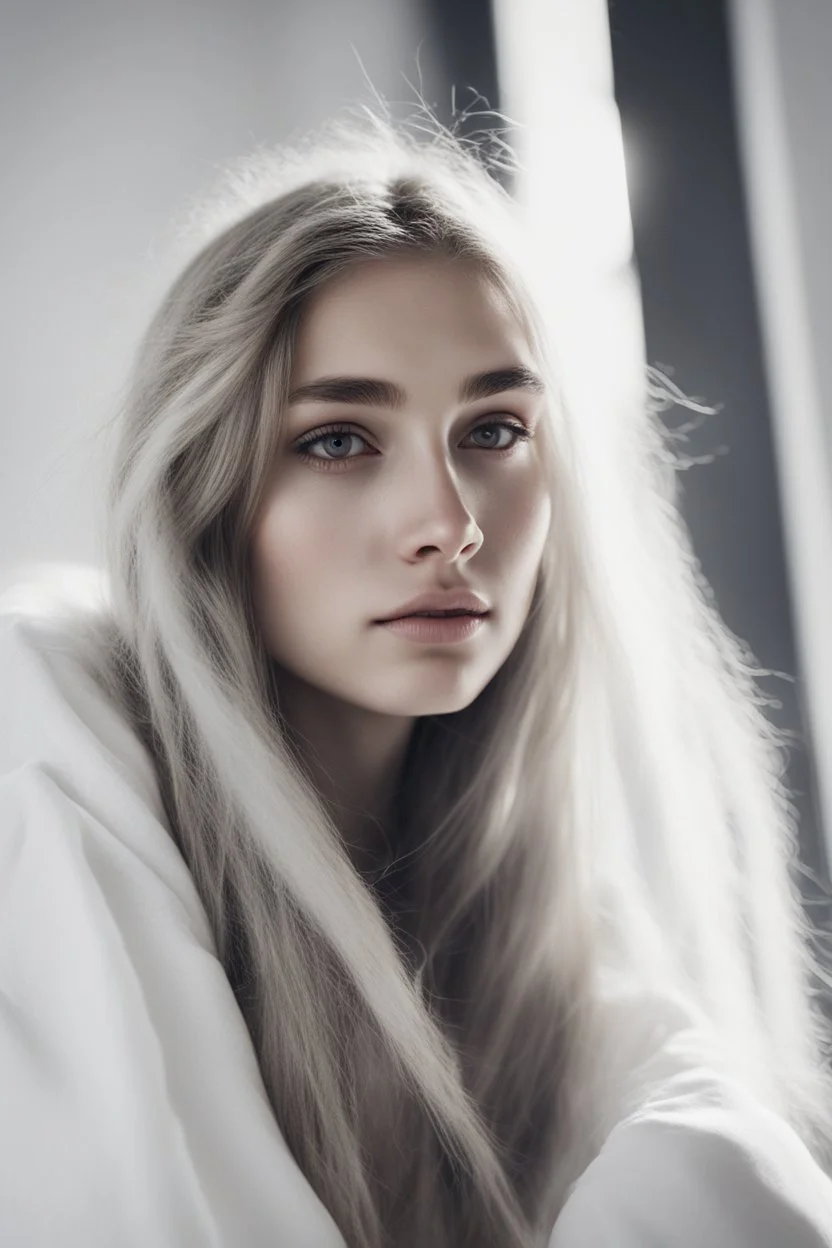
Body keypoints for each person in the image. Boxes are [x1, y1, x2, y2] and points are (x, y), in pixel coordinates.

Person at [2, 106, 832, 1248]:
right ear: (203, 495)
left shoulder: (547, 935)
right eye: (338, 440)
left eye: (492, 432)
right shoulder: (48, 779)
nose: (449, 525)